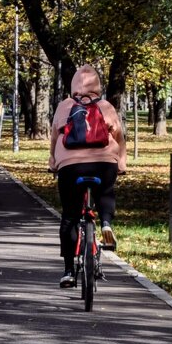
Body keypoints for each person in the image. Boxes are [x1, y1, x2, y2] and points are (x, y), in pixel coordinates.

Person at [48, 65, 127, 288]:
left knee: (70, 216)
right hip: (104, 163)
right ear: (97, 86)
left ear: (73, 86)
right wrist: (120, 164)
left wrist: (54, 164)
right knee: (106, 190)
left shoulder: (65, 106)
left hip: (70, 167)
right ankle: (106, 224)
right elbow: (119, 137)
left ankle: (68, 271)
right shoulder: (106, 106)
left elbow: (55, 137)